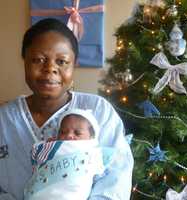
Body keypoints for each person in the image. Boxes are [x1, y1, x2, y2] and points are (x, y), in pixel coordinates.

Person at [0, 18, 133, 200]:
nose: (50, 69)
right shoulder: (4, 119)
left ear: (74, 65)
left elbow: (117, 177)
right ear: (24, 61)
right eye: (38, 60)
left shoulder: (98, 110)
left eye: (62, 62)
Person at [24, 108, 121, 200]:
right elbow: (37, 156)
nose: (69, 136)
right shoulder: (53, 146)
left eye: (77, 133)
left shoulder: (93, 151)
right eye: (63, 132)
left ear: (91, 137)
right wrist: (46, 146)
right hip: (43, 192)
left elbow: (105, 171)